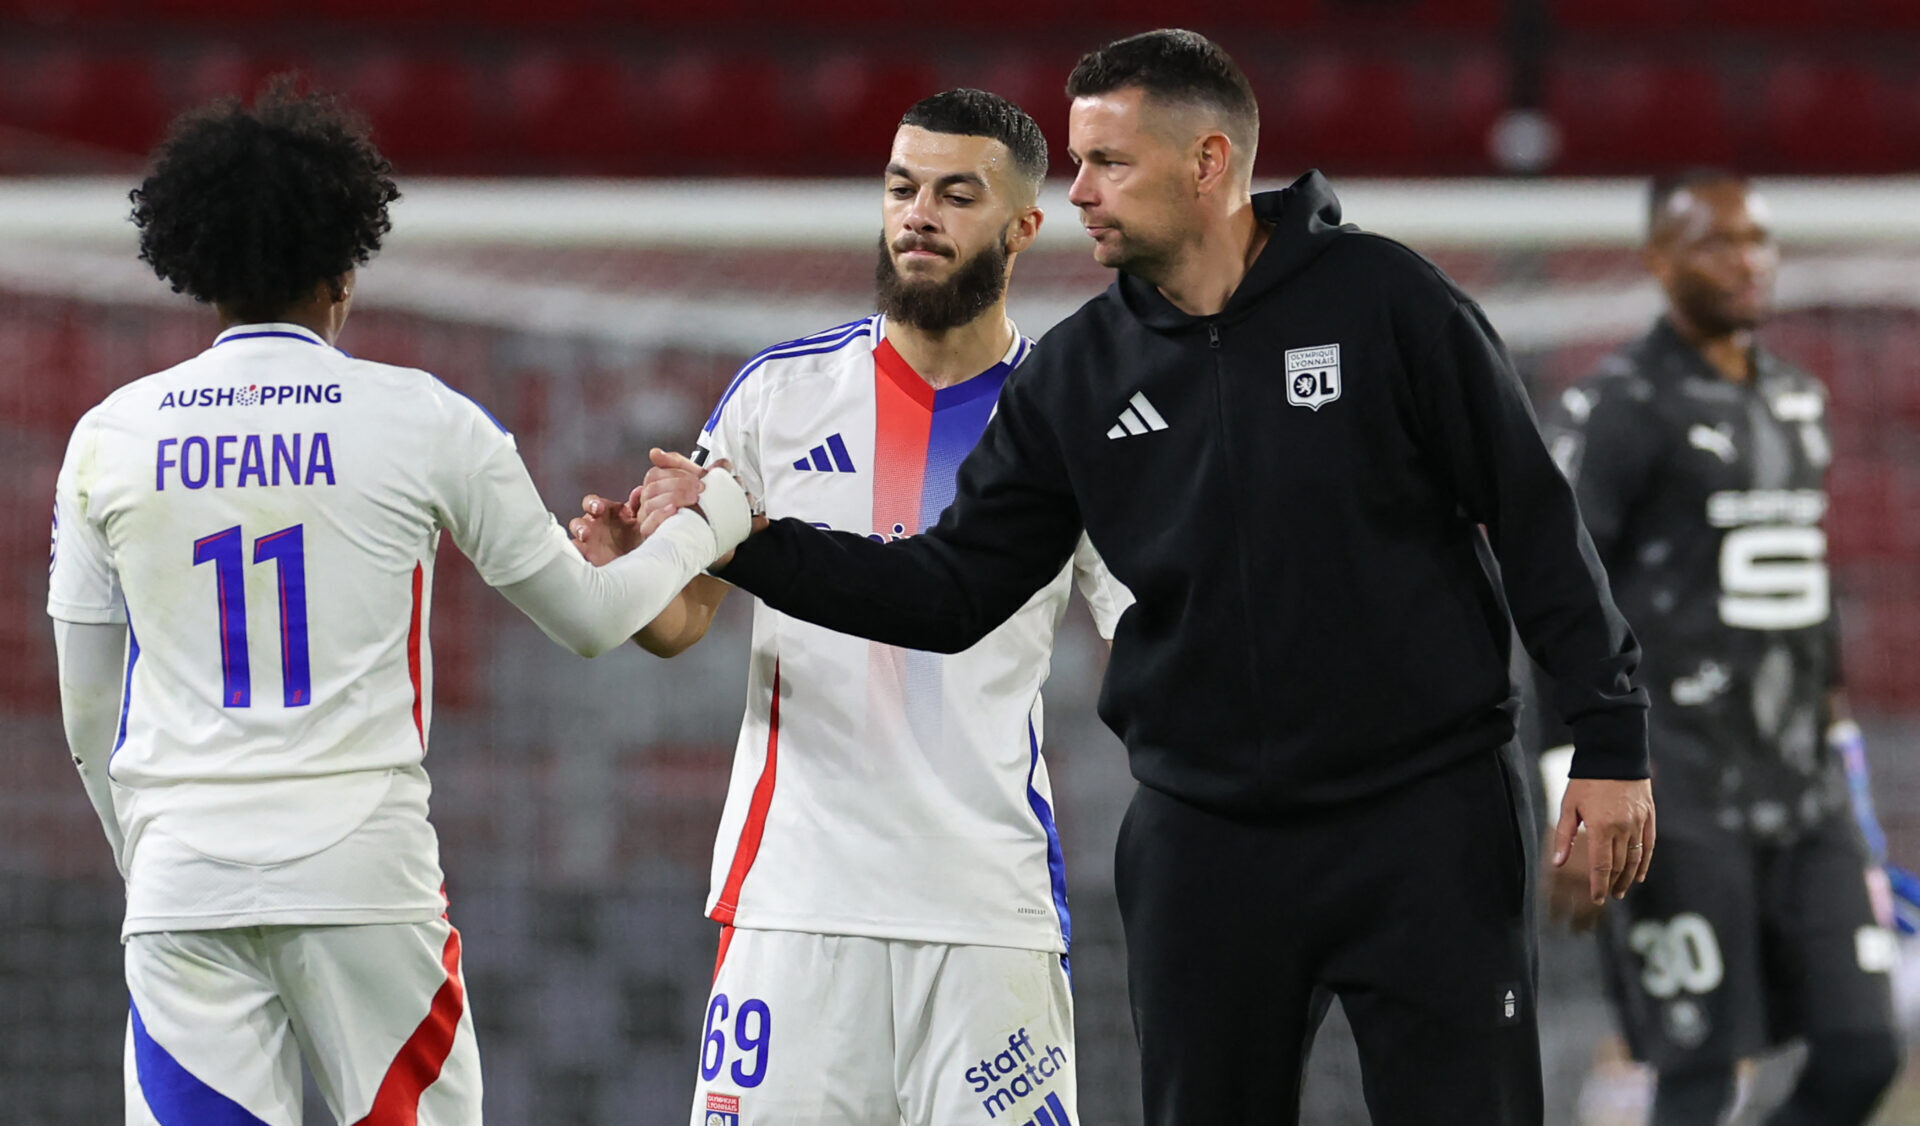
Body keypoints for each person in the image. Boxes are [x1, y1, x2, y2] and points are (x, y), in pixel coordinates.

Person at [638, 29, 1654, 1126]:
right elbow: (948, 589)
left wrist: (1606, 739)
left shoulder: (1387, 302)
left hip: (1425, 821)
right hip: (1205, 843)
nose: (1077, 194)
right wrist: (738, 536)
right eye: (1075, 164)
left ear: (1209, 163)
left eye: (1107, 164)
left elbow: (1535, 516)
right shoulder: (1075, 376)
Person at [45, 82, 749, 1126]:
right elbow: (597, 617)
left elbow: (86, 716)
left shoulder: (110, 435)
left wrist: (148, 850)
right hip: (362, 877)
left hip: (183, 878)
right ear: (345, 270)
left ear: (201, 269)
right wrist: (714, 518)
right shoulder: (423, 420)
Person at [571, 88, 1129, 1126]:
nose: (919, 213)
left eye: (956, 195)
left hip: (984, 916)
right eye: (902, 187)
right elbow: (683, 618)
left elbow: (1145, 628)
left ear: (1022, 228)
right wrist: (628, 572)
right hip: (795, 907)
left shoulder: (1069, 417)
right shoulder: (777, 397)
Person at [1538, 170, 1900, 1126]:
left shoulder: (1798, 400)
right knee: (1700, 1072)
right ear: (1658, 261)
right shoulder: (1618, 406)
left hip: (1804, 789)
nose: (1747, 262)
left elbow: (1811, 611)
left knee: (1865, 1052)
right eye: (1717, 243)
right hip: (1676, 791)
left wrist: (1851, 785)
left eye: (1757, 241)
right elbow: (1556, 600)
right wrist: (1564, 780)